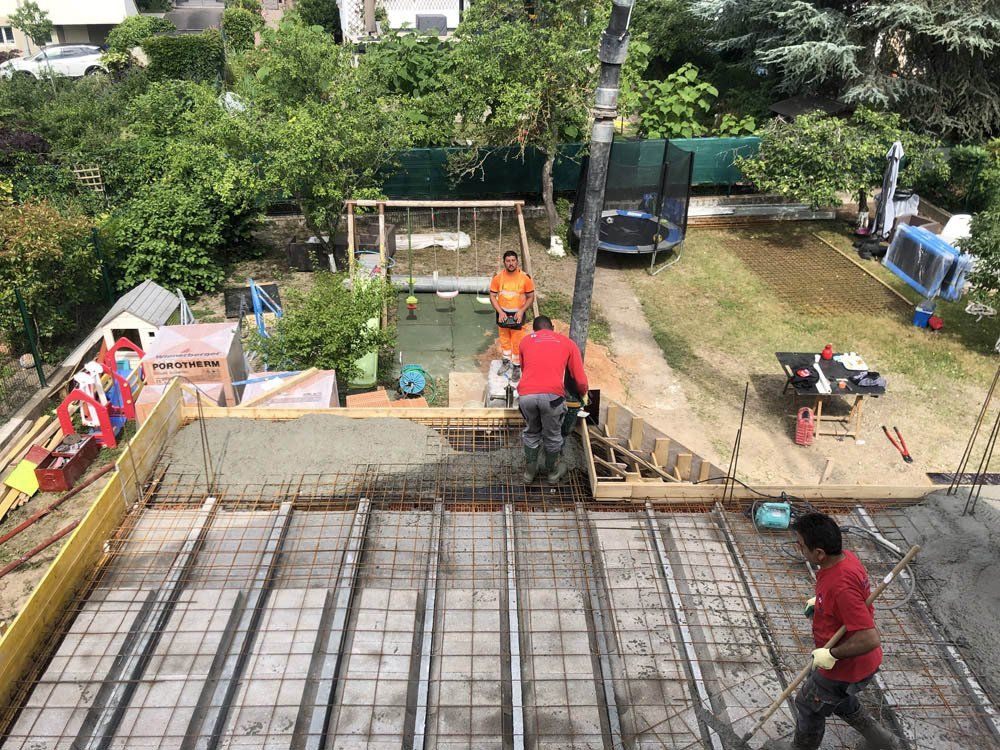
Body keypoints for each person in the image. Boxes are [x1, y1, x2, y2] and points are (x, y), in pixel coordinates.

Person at [771, 513, 899, 750]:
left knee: (809, 705)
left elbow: (869, 638)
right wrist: (819, 603)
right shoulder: (845, 559)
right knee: (837, 700)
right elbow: (853, 601)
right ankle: (883, 740)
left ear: (819, 553)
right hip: (857, 663)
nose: (798, 548)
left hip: (846, 665)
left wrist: (832, 655)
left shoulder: (840, 587)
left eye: (800, 545)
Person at [517, 316, 588, 484]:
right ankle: (553, 472)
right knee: (552, 435)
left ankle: (529, 473)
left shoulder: (525, 341)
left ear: (534, 331)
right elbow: (580, 379)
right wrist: (583, 392)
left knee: (532, 432)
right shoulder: (567, 343)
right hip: (552, 398)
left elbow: (524, 368)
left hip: (526, 396)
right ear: (553, 327)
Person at [489, 250, 535, 382]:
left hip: (518, 315)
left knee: (517, 341)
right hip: (502, 314)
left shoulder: (525, 278)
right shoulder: (498, 278)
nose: (511, 263)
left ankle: (516, 366)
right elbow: (492, 296)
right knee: (504, 339)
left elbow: (531, 296)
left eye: (513, 260)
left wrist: (521, 311)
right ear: (504, 262)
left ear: (517, 262)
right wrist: (500, 312)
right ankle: (506, 362)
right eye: (508, 261)